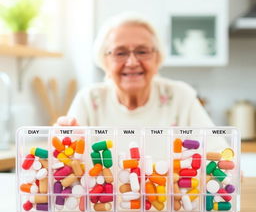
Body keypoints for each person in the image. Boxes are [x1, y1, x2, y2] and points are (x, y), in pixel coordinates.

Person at [56, 13, 214, 127]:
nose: (132, 62)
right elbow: (66, 162)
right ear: (104, 60)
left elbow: (221, 160)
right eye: (120, 53)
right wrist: (62, 144)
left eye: (142, 52)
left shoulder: (180, 97)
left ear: (157, 58)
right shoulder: (89, 99)